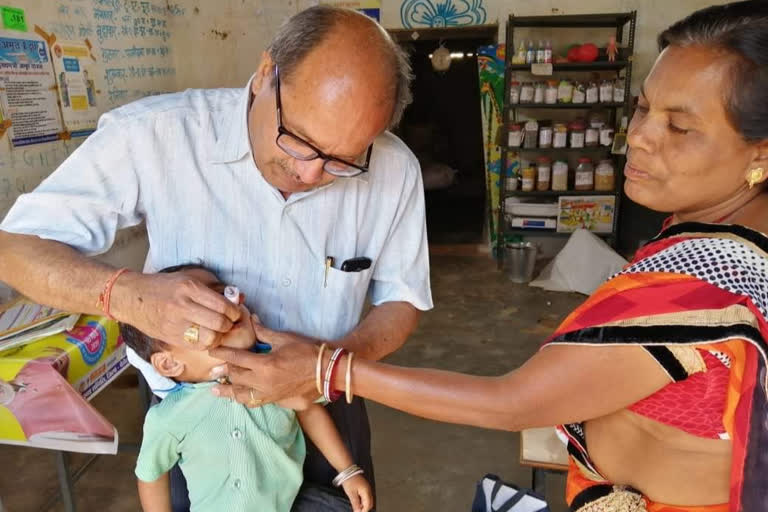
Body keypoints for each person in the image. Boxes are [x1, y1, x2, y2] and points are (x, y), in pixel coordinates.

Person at [210, 2, 768, 511]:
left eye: (680, 126)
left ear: (760, 153)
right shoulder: (730, 232)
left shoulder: (707, 276)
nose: (638, 137)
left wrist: (327, 369)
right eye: (643, 107)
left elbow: (515, 402)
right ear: (265, 77)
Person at [0, 6, 432, 511]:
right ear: (268, 71)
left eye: (343, 160)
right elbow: (15, 250)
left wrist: (324, 368)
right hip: (198, 416)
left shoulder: (396, 169)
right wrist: (129, 295)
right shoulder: (158, 135)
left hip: (324, 404)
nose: (311, 174)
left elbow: (402, 301)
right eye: (300, 142)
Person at [124, 265, 372, 512]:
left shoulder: (277, 378)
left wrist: (347, 472)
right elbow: (150, 474)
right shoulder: (169, 417)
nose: (226, 305)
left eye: (224, 293)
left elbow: (308, 410)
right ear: (169, 363)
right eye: (199, 309)